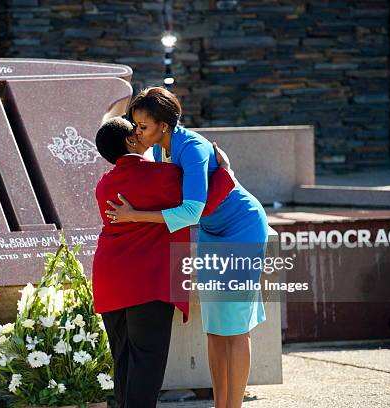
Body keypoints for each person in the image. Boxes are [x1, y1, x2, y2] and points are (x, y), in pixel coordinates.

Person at [105, 88, 268, 408]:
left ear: (163, 126)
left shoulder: (191, 148)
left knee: (234, 327)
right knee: (215, 327)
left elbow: (191, 210)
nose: (136, 132)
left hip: (241, 229)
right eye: (134, 125)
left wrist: (134, 216)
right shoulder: (157, 149)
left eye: (143, 126)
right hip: (210, 231)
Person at [92, 117, 234, 408]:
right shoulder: (162, 176)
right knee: (147, 361)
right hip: (149, 280)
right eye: (137, 130)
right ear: (130, 141)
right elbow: (200, 207)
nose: (143, 132)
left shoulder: (104, 184)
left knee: (124, 360)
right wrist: (225, 172)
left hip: (109, 278)